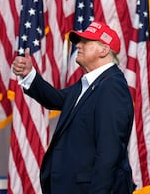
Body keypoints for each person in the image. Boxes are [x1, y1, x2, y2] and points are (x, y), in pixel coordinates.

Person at [12, 21, 135, 194]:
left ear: (104, 50)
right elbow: (56, 99)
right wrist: (29, 75)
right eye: (80, 41)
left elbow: (109, 153)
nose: (78, 45)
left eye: (86, 42)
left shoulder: (111, 87)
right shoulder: (90, 83)